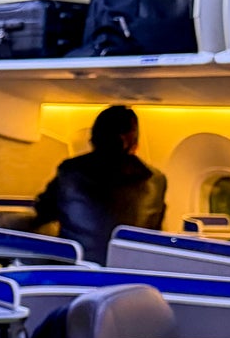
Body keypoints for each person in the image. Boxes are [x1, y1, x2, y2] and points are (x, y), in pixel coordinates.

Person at [31, 105, 166, 264]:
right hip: (131, 275)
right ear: (134, 142)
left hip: (75, 274)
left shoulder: (70, 171)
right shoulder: (155, 180)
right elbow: (154, 231)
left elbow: (43, 210)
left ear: (93, 138)